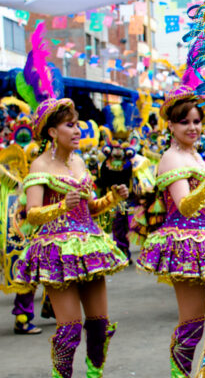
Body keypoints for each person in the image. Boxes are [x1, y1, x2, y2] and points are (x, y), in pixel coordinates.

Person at [13, 98, 129, 377]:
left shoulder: (78, 161)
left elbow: (90, 207)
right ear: (52, 132)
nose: (78, 131)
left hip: (89, 248)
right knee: (69, 329)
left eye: (77, 125)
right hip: (56, 252)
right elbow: (32, 214)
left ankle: (94, 374)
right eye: (70, 125)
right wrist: (62, 206)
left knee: (100, 324)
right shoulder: (40, 166)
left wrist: (113, 198)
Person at [136, 86, 205, 378]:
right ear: (171, 125)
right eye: (185, 122)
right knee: (192, 323)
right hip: (187, 244)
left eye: (197, 121)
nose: (193, 127)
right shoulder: (171, 158)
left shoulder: (196, 156)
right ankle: (179, 375)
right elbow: (186, 206)